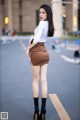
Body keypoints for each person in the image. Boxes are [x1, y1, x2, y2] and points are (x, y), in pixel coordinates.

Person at [27, 4, 54, 120]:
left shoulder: (42, 23)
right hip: (45, 52)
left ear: (47, 13)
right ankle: (44, 110)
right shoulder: (49, 24)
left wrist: (28, 48)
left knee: (35, 81)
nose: (41, 14)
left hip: (37, 52)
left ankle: (36, 111)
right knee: (44, 81)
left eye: (43, 12)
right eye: (40, 12)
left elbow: (36, 39)